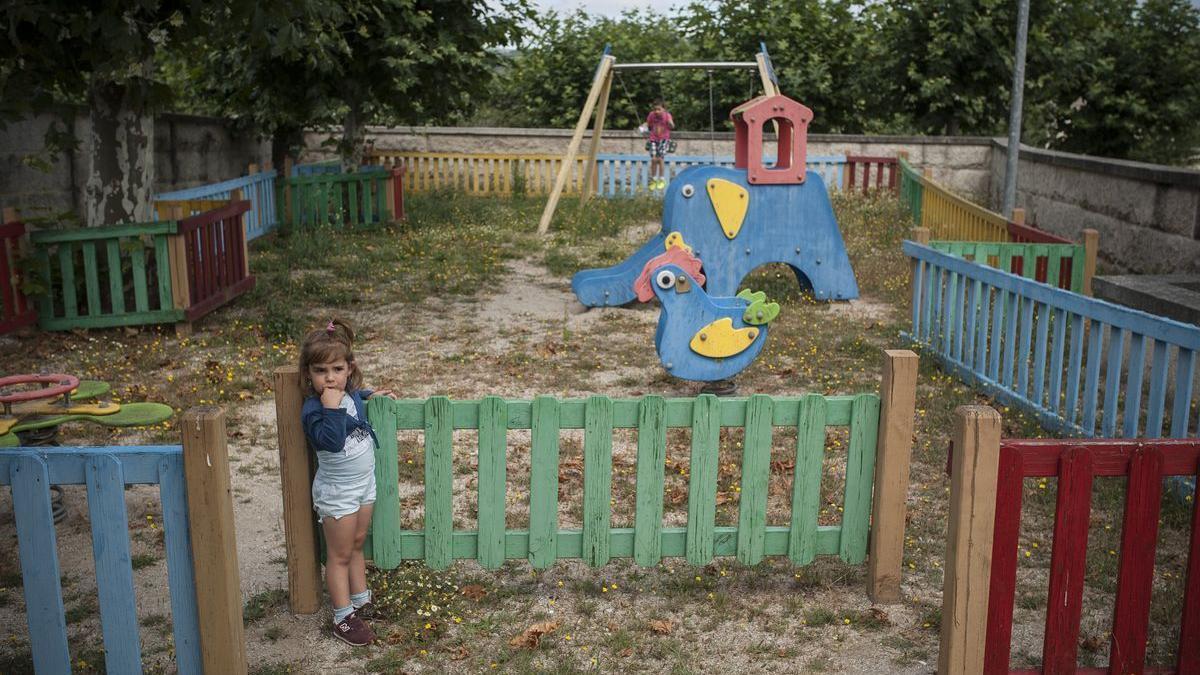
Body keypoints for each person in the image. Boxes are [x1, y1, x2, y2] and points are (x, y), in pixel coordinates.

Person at [299, 319, 395, 646]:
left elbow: (354, 397)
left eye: (337, 369)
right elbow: (331, 442)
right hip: (337, 492)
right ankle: (342, 617)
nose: (329, 378)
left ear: (349, 369)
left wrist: (369, 394)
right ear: (308, 375)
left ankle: (360, 601)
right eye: (320, 371)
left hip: (363, 485)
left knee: (357, 543)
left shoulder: (349, 394)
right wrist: (331, 409)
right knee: (338, 555)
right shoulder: (314, 409)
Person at [645, 100, 675, 190]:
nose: (657, 111)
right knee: (654, 159)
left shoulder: (667, 115)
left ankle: (661, 179)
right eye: (655, 109)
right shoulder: (651, 115)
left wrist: (670, 124)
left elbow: (672, 126)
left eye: (659, 109)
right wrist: (641, 128)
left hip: (664, 139)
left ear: (663, 109)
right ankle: (654, 179)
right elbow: (648, 124)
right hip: (653, 139)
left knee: (660, 158)